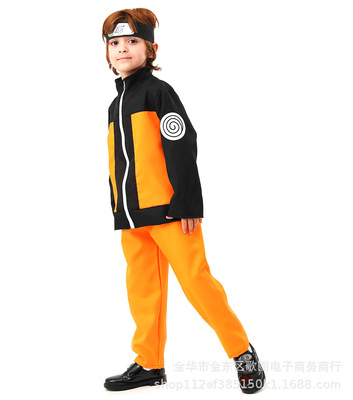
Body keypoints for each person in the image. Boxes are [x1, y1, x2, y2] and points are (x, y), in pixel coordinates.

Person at [101, 8, 266, 394]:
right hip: (132, 216)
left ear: (151, 49)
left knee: (196, 282)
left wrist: (188, 202)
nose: (122, 48)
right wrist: (118, 208)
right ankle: (149, 363)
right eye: (114, 42)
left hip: (170, 211)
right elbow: (119, 161)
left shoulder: (158, 92)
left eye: (132, 41)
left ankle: (241, 351)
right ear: (106, 52)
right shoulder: (115, 104)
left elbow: (181, 143)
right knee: (143, 289)